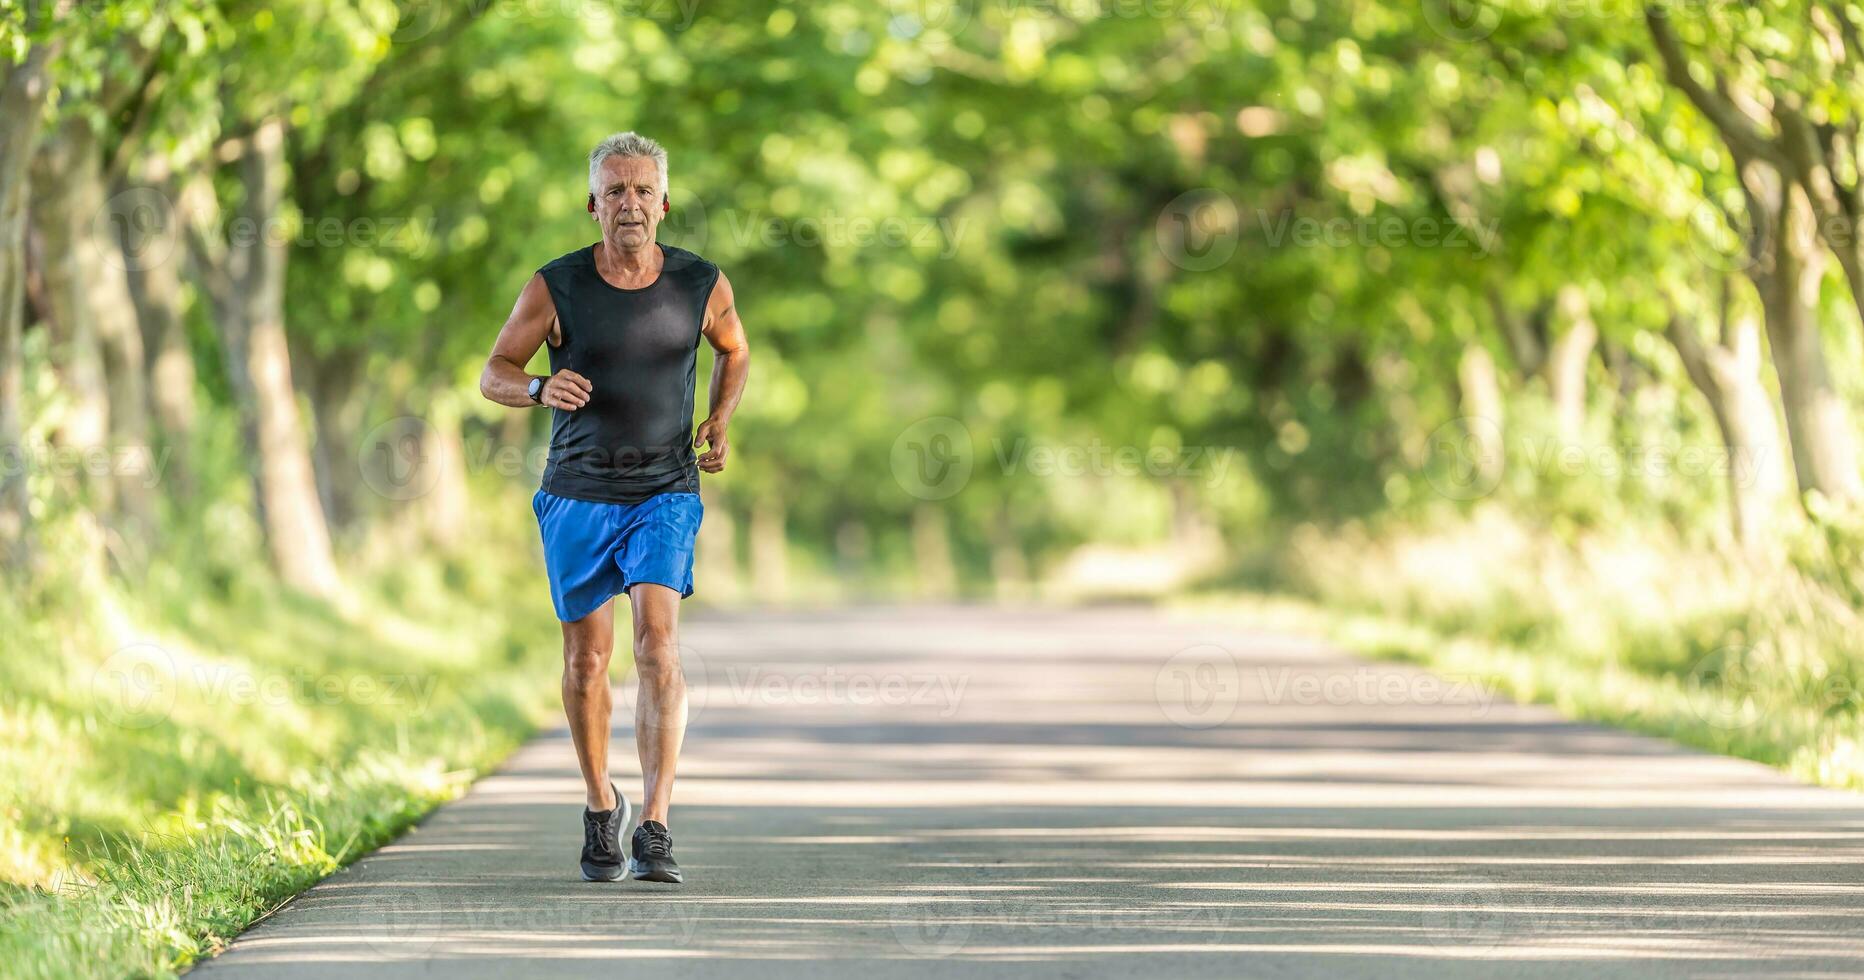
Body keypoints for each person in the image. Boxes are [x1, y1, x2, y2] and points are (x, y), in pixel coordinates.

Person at [478, 132, 749, 884]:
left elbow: (736, 349)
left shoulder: (701, 282)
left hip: (665, 489)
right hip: (576, 495)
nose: (630, 205)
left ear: (664, 204)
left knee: (658, 646)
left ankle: (656, 824)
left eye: (642, 191)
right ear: (592, 204)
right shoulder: (555, 286)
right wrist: (536, 388)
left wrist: (720, 419)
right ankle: (603, 806)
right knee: (585, 660)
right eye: (615, 192)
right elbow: (494, 370)